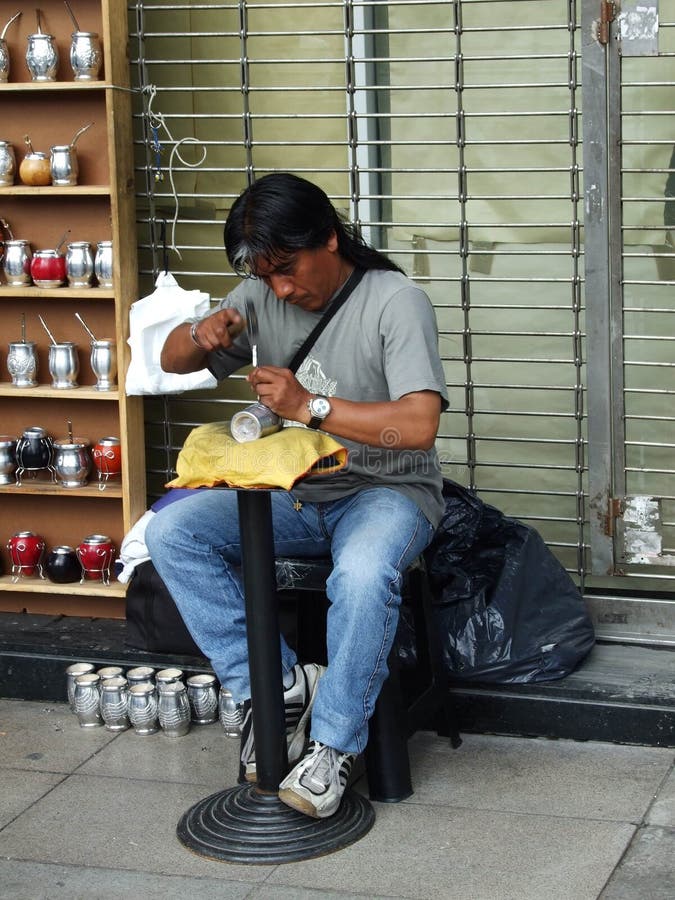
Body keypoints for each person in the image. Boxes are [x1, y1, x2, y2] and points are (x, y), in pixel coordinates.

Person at [145, 172, 448, 819]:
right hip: (297, 493)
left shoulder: (395, 301)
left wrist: (308, 406)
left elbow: (418, 425)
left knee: (364, 574)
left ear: (329, 239)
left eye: (286, 268)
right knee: (172, 531)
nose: (279, 287)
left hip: (387, 491)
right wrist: (201, 336)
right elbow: (168, 361)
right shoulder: (259, 292)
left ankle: (334, 743)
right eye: (266, 273)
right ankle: (275, 684)